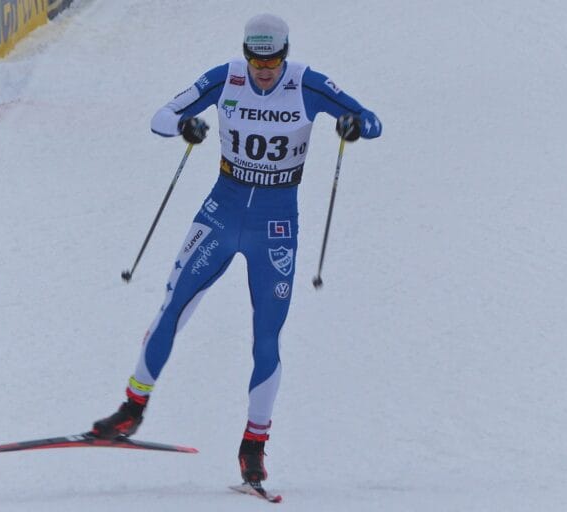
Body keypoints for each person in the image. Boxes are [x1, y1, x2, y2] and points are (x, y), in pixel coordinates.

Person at [91, 13, 382, 484]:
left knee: (266, 338)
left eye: (272, 61)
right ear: (245, 53)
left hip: (276, 225)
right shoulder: (224, 77)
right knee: (172, 309)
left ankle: (254, 445)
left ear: (284, 55)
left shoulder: (307, 82)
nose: (263, 70)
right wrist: (185, 126)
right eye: (255, 60)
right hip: (220, 213)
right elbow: (161, 117)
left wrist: (353, 125)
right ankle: (130, 410)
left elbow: (372, 121)